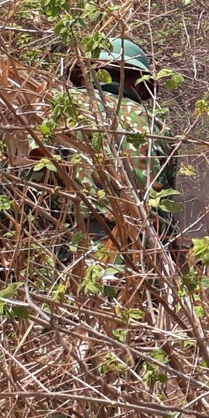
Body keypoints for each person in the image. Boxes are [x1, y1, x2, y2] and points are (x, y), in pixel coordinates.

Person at [59, 37, 181, 270]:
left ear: (86, 73)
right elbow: (165, 198)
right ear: (138, 80)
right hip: (143, 249)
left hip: (78, 242)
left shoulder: (65, 106)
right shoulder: (157, 125)